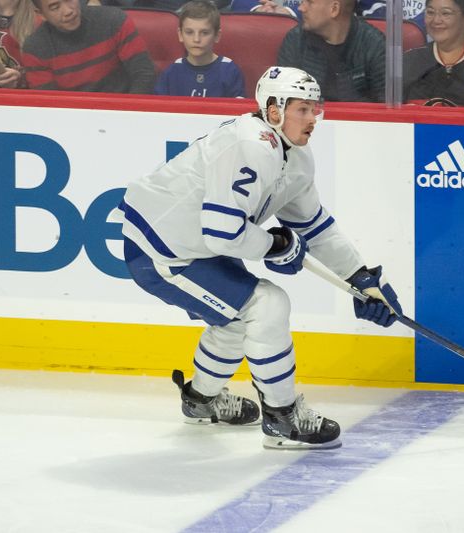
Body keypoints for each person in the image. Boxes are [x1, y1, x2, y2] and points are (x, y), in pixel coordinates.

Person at [119, 66, 402, 449]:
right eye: (302, 109)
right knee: (268, 305)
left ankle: (200, 400)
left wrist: (361, 276)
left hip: (194, 246)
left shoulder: (296, 157)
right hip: (161, 250)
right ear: (273, 110)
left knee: (237, 321)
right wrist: (276, 246)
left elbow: (315, 227)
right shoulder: (253, 144)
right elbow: (222, 232)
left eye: (315, 109)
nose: (313, 118)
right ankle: (282, 417)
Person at [21, 0, 155, 93]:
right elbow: (50, 102)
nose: (68, 11)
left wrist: (128, 114)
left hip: (123, 110)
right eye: (55, 7)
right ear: (40, 14)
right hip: (71, 119)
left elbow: (143, 74)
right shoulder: (34, 48)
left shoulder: (114, 20)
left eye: (69, 0)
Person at [277, 0, 386, 102]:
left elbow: (385, 110)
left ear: (334, 9)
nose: (301, 8)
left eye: (309, 2)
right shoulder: (295, 40)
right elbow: (283, 101)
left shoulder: (374, 46)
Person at [155, 0, 246, 98]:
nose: (196, 39)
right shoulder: (171, 72)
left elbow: (239, 110)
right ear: (180, 34)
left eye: (204, 33)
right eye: (189, 32)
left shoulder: (229, 70)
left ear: (217, 35)